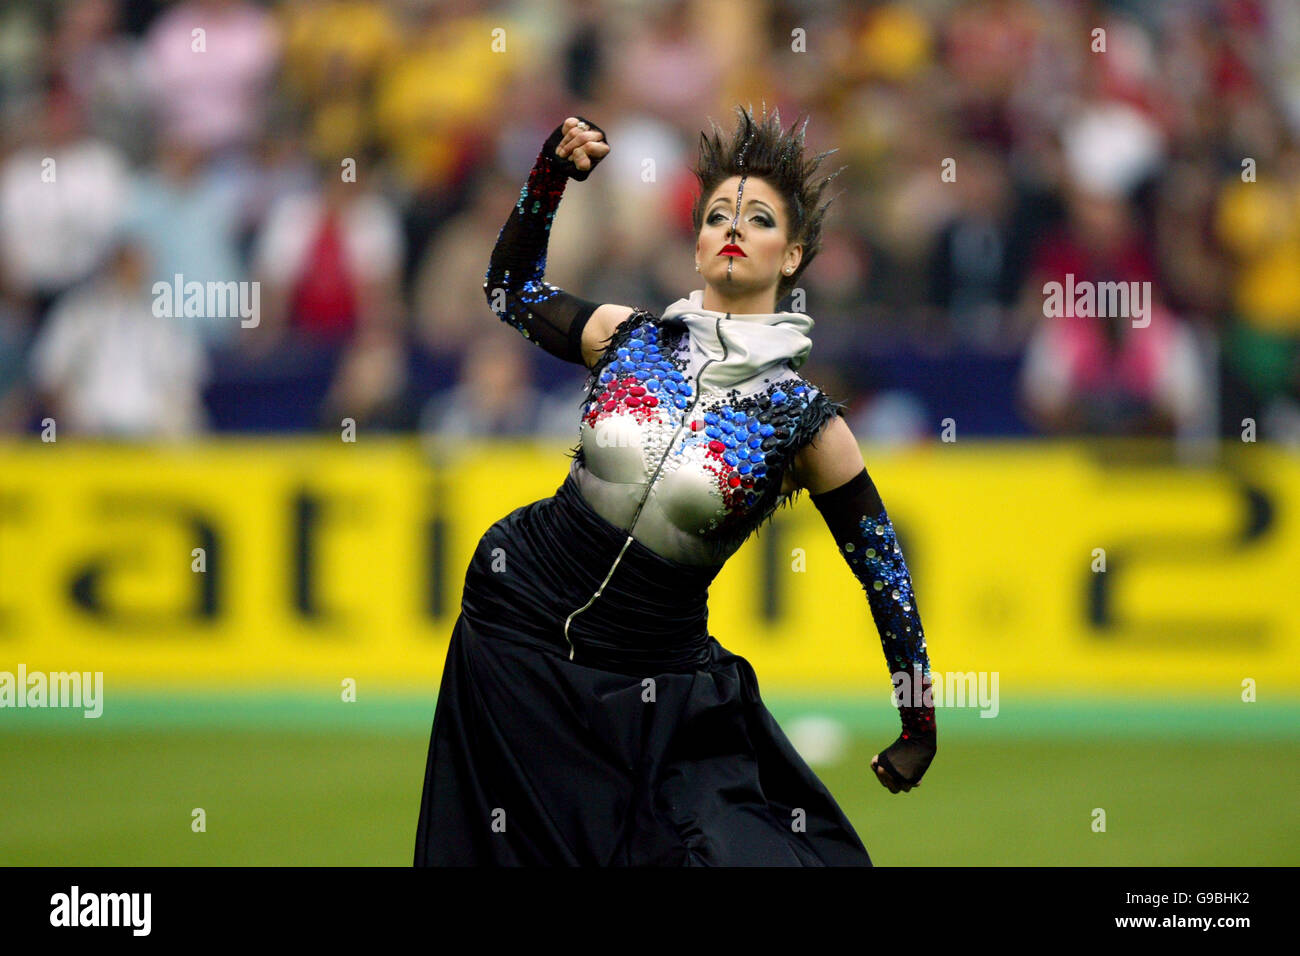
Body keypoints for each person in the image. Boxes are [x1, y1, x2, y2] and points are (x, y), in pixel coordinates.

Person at [414, 106, 936, 866]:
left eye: (757, 219)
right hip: (514, 635)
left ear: (790, 255)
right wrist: (551, 175)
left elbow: (883, 572)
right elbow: (507, 289)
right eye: (717, 214)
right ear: (695, 243)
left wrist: (919, 724)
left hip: (652, 681)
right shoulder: (627, 335)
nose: (732, 226)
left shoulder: (805, 421)